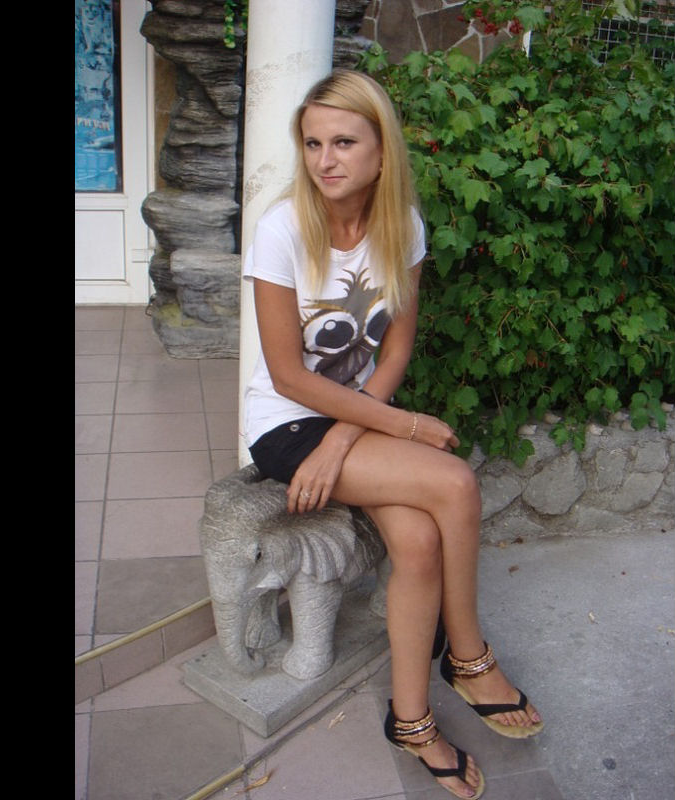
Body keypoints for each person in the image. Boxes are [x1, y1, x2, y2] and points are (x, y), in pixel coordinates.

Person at [242, 69, 543, 800]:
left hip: (354, 415)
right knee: (455, 482)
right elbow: (288, 375)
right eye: (313, 143)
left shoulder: (401, 225)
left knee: (418, 541)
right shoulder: (281, 230)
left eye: (344, 142)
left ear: (382, 151)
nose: (325, 160)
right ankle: (468, 659)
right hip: (285, 422)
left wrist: (346, 438)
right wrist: (402, 425)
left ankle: (410, 721)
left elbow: (396, 350)